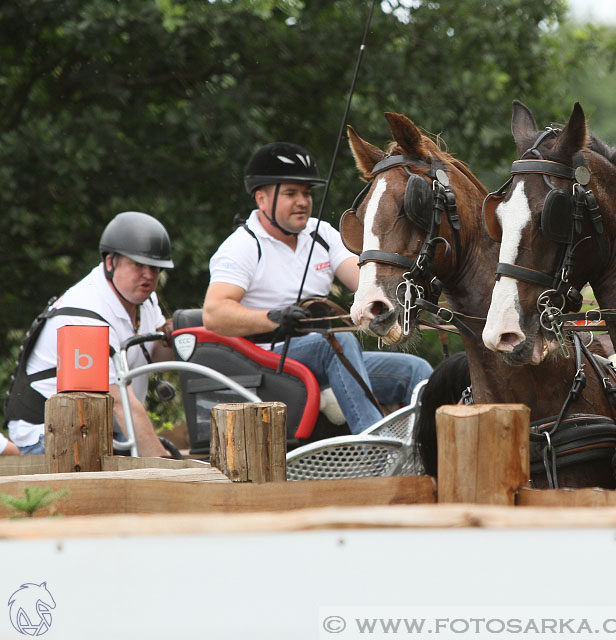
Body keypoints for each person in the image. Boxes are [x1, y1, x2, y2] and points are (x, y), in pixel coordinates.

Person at [203, 141, 432, 435]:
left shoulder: (320, 233)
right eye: (291, 193)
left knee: (416, 371)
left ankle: (423, 450)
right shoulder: (242, 246)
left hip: (327, 353)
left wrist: (408, 287)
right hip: (266, 357)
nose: (303, 201)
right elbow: (214, 313)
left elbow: (363, 279)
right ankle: (375, 445)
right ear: (261, 198)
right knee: (338, 343)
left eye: (307, 193)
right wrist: (274, 317)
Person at [4, 212, 175, 457]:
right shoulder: (84, 314)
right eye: (138, 265)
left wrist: (179, 336)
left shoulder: (143, 299)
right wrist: (166, 467)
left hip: (99, 431)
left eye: (155, 268)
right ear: (110, 262)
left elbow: (156, 356)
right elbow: (118, 403)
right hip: (47, 438)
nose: (148, 275)